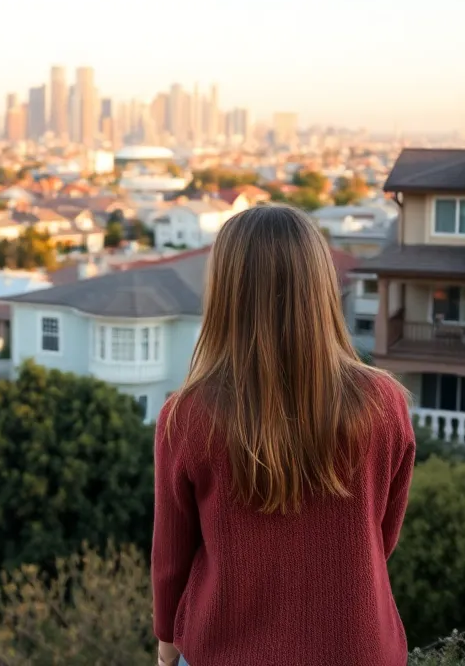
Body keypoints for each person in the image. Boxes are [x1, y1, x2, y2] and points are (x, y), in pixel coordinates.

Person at [152, 204, 415, 666]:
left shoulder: (187, 416)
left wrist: (165, 654)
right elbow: (380, 537)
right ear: (320, 288)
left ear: (226, 293)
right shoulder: (385, 403)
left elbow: (170, 563)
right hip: (359, 650)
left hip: (223, 652)